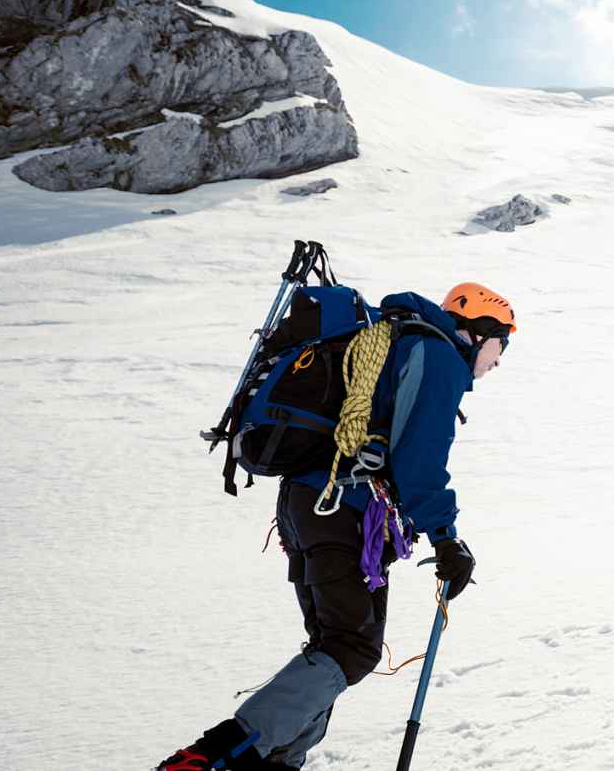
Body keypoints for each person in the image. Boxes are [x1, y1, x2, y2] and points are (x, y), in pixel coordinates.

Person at [158, 284, 514, 771]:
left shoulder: (402, 340)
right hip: (340, 508)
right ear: (480, 331)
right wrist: (445, 537)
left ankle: (275, 759)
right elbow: (420, 460)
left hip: (312, 504)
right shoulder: (438, 356)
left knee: (335, 648)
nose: (500, 359)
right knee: (350, 646)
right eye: (503, 343)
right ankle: (215, 755)